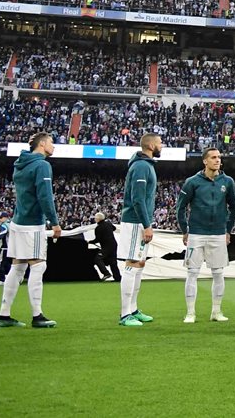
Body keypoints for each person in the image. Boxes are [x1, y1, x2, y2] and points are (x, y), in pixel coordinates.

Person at [0, 132, 60, 329]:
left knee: (17, 267)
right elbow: (45, 196)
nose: (54, 146)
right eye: (51, 142)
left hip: (18, 222)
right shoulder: (42, 165)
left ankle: (4, 315)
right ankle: (37, 314)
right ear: (41, 144)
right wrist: (54, 222)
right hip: (33, 224)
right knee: (38, 266)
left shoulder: (20, 165)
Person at [175, 147, 235, 323]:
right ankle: (190, 312)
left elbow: (234, 207)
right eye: (213, 157)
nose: (217, 160)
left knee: (218, 273)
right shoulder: (192, 182)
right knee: (192, 272)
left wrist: (228, 229)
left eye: (219, 157)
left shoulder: (228, 181)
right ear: (205, 161)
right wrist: (184, 230)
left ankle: (216, 312)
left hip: (218, 233)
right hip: (196, 233)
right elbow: (180, 207)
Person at [118, 133, 161, 327]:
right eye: (160, 142)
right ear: (151, 145)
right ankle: (125, 314)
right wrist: (146, 224)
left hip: (139, 222)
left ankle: (133, 309)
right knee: (133, 263)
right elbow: (137, 198)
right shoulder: (142, 166)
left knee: (139, 265)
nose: (162, 146)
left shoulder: (146, 165)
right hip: (135, 222)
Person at [92, 212, 120, 281]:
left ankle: (106, 273)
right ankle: (118, 278)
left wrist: (90, 241)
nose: (95, 219)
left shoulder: (98, 228)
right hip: (114, 245)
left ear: (98, 219)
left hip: (106, 246)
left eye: (95, 218)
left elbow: (97, 239)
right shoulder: (108, 223)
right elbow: (114, 228)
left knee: (98, 259)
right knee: (113, 262)